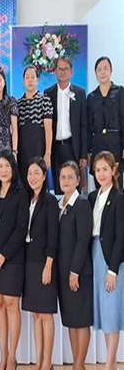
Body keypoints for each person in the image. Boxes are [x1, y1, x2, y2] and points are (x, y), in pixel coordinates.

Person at [0, 150, 29, 370]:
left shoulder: (21, 193)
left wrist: (4, 255)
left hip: (12, 258)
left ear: (13, 168)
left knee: (12, 304)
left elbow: (21, 229)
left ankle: (12, 357)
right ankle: (3, 355)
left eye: (6, 166)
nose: (3, 170)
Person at [21, 158, 59, 370]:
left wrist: (48, 265)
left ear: (44, 176)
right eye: (30, 173)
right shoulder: (27, 199)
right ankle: (38, 360)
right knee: (35, 314)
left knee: (45, 314)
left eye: (37, 173)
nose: (32, 177)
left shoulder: (50, 201)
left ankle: (47, 362)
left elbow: (53, 236)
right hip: (29, 261)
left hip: (44, 262)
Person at [88, 151, 124, 370]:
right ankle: (112, 362)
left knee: (111, 312)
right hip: (95, 254)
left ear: (113, 170)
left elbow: (121, 237)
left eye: (105, 169)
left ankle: (110, 364)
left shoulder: (119, 198)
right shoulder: (93, 197)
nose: (101, 173)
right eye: (97, 170)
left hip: (110, 259)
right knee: (103, 311)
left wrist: (113, 270)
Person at [57, 161, 92, 370]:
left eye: (71, 177)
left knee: (82, 320)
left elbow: (82, 240)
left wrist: (74, 271)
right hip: (63, 272)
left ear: (78, 180)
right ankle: (78, 364)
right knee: (71, 320)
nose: (66, 180)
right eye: (63, 177)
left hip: (78, 272)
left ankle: (78, 365)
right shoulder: (59, 205)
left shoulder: (82, 204)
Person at [44, 57, 88, 194]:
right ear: (55, 72)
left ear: (71, 72)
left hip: (73, 147)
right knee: (58, 186)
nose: (62, 72)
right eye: (60, 69)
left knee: (74, 188)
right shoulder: (48, 93)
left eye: (66, 69)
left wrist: (83, 154)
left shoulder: (80, 93)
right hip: (55, 148)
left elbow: (84, 125)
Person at [86, 56, 124, 187]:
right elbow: (88, 127)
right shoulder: (91, 97)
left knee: (116, 185)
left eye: (105, 68)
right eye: (99, 69)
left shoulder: (120, 92)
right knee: (100, 185)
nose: (102, 72)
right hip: (98, 146)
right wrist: (88, 151)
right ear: (95, 73)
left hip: (115, 145)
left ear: (111, 71)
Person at [17, 66, 53, 184]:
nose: (30, 80)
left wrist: (48, 153)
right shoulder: (18, 103)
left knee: (39, 184)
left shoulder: (44, 100)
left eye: (33, 77)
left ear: (37, 80)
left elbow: (48, 130)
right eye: (27, 77)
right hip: (22, 153)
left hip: (39, 151)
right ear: (23, 81)